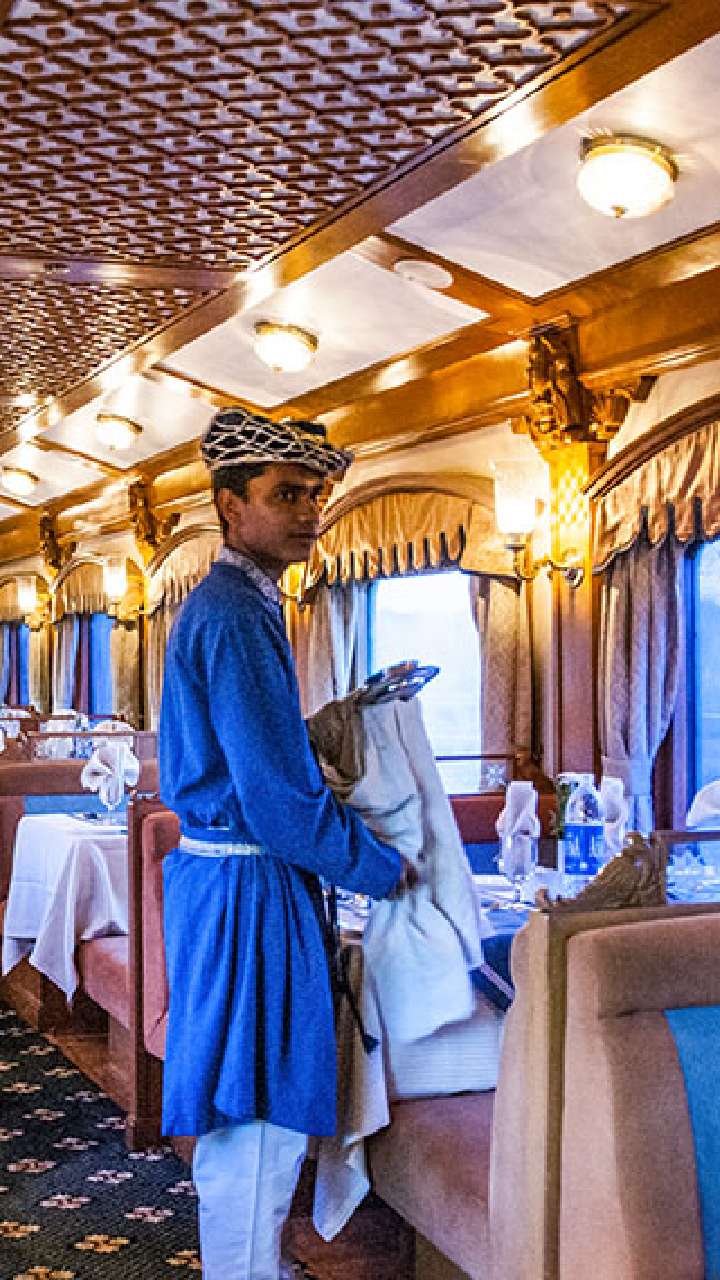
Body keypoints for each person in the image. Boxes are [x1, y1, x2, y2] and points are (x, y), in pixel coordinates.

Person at [158, 408, 408, 1280]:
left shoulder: (242, 603)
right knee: (255, 1117)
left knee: (251, 1115)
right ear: (231, 506)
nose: (310, 512)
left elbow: (256, 759)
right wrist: (388, 871)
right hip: (247, 893)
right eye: (286, 494)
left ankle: (249, 1265)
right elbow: (274, 803)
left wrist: (326, 729)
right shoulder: (235, 613)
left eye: (315, 495)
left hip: (230, 884)